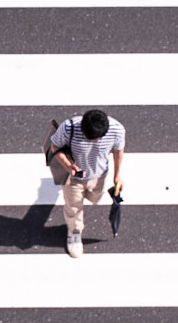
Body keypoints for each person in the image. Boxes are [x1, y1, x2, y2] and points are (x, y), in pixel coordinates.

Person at [48, 109, 126, 258]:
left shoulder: (117, 130)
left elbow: (118, 151)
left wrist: (117, 176)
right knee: (74, 207)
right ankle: (75, 232)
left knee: (95, 198)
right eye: (85, 136)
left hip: (99, 175)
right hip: (73, 178)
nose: (88, 140)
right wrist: (69, 166)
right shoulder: (69, 127)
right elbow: (54, 146)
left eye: (93, 139)